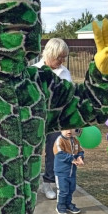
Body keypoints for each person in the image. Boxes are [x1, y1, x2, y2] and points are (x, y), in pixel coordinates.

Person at [33, 38, 72, 200]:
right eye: (59, 57)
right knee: (33, 151)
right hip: (36, 118)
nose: (62, 61)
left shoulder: (65, 72)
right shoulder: (34, 70)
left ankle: (47, 182)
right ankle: (30, 181)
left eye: (64, 57)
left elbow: (69, 97)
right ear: (50, 54)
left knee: (53, 151)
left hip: (55, 120)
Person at [53, 128, 84, 214]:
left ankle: (68, 203)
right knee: (63, 190)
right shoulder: (60, 140)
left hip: (72, 171)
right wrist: (72, 159)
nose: (69, 132)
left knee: (71, 189)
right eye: (66, 129)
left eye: (71, 129)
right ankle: (60, 205)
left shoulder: (75, 140)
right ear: (61, 130)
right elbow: (59, 153)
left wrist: (80, 157)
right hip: (61, 171)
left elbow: (80, 151)